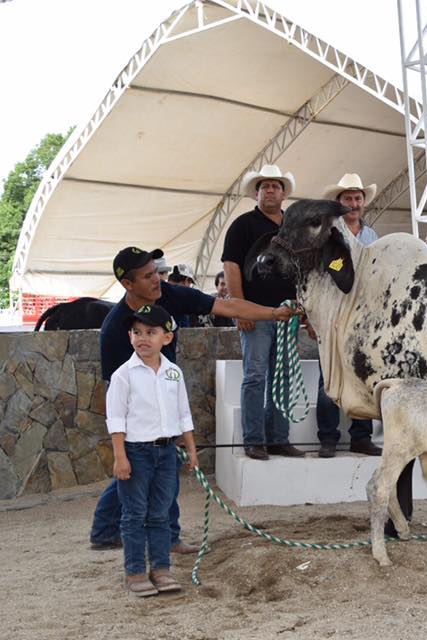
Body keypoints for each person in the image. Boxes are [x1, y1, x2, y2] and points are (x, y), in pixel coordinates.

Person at [89, 245, 299, 552]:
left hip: (165, 393)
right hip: (139, 410)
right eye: (147, 276)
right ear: (128, 284)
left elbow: (228, 307)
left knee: (152, 468)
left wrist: (273, 314)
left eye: (155, 271)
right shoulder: (114, 330)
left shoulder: (172, 295)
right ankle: (158, 536)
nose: (157, 279)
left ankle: (111, 532)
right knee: (143, 467)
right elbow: (115, 391)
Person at [107, 304, 199, 597]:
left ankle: (161, 569)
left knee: (160, 513)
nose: (142, 338)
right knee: (134, 514)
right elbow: (116, 419)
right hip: (136, 452)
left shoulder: (174, 373)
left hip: (167, 452)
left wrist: (192, 449)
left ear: (167, 338)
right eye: (136, 332)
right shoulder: (124, 375)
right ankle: (135, 572)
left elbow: (183, 412)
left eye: (151, 332)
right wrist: (120, 457)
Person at [222, 164, 305, 461]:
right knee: (255, 376)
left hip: (287, 314)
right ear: (256, 193)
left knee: (282, 376)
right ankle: (254, 440)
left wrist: (302, 307)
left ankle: (279, 439)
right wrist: (238, 307)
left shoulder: (294, 228)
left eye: (275, 186)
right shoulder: (242, 225)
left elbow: (303, 269)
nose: (270, 190)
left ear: (283, 193)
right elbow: (231, 266)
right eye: (265, 186)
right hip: (255, 314)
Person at [314, 174, 384, 458]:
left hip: (364, 317)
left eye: (357, 198)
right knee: (328, 377)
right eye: (348, 199)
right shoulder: (325, 236)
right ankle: (328, 438)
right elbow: (318, 279)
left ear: (363, 202)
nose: (353, 204)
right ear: (338, 203)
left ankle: (360, 436)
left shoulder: (373, 238)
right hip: (332, 315)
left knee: (364, 375)